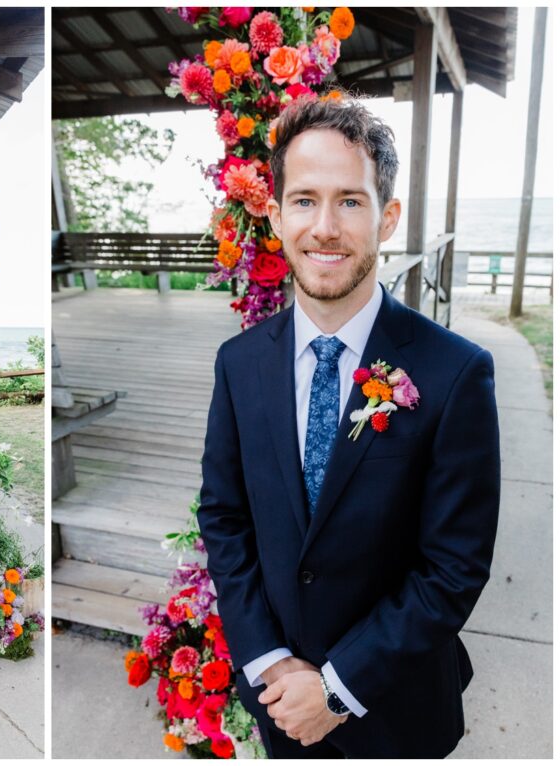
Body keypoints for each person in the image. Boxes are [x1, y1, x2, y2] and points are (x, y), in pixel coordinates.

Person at [197, 97, 500, 758]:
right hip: (281, 702)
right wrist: (269, 662)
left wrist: (336, 690)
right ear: (275, 216)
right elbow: (224, 519)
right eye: (304, 200)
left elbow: (453, 567)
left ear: (387, 217)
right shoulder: (238, 364)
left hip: (398, 711)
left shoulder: (456, 374)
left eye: (351, 201)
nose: (325, 227)